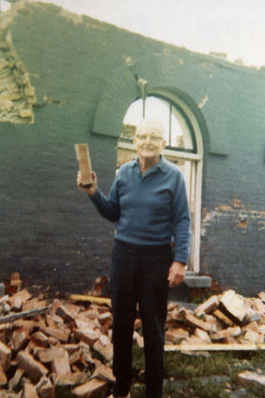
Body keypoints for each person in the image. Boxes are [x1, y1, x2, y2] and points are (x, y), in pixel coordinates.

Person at [77, 118, 191, 398]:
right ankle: (122, 388)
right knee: (121, 325)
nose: (147, 142)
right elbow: (113, 212)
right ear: (135, 142)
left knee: (153, 327)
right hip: (123, 256)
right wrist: (93, 193)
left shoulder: (173, 176)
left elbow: (182, 220)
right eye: (142, 137)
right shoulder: (124, 173)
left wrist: (180, 260)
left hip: (156, 257)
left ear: (163, 143)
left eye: (154, 137)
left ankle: (154, 392)